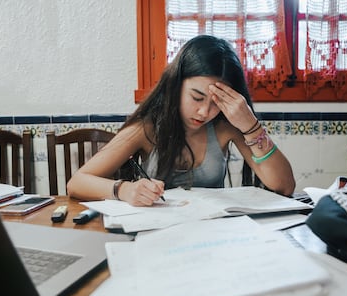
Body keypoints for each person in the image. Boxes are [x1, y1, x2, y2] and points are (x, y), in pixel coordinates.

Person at [67, 35, 295, 206]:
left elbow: (284, 186)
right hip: (157, 235)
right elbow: (76, 183)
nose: (205, 112)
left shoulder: (226, 128)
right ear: (176, 86)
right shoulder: (147, 128)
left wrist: (250, 126)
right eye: (197, 97)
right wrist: (124, 190)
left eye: (217, 103)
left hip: (215, 234)